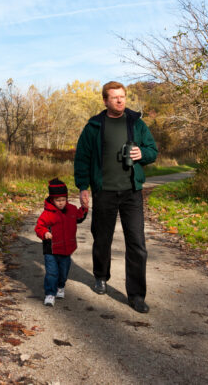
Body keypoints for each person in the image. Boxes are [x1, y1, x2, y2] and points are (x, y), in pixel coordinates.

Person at [73, 81, 158, 313]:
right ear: (105, 100)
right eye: (115, 97)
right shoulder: (93, 126)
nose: (120, 100)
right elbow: (82, 157)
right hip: (104, 192)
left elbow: (153, 150)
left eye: (123, 96)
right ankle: (101, 276)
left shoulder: (136, 123)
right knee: (102, 239)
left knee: (137, 244)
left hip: (132, 192)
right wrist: (83, 187)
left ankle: (137, 295)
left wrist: (143, 154)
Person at [34, 178, 88, 307]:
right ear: (52, 199)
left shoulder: (71, 209)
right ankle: (50, 294)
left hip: (66, 249)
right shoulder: (47, 214)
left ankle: (60, 286)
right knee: (52, 272)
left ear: (66, 198)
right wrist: (44, 233)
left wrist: (85, 207)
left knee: (63, 272)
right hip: (51, 250)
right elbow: (39, 227)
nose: (60, 203)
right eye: (57, 200)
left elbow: (79, 217)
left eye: (63, 200)